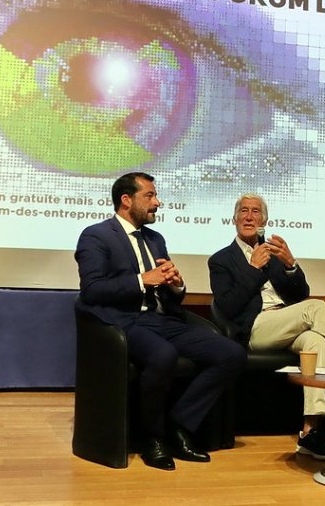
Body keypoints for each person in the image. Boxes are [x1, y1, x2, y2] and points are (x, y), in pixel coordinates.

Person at [76, 172, 246, 471]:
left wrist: (176, 284)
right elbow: (92, 290)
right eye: (150, 196)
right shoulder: (96, 235)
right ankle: (153, 439)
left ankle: (179, 426)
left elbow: (169, 295)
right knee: (162, 356)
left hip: (162, 318)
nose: (158, 202)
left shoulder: (155, 239)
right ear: (126, 200)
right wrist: (143, 280)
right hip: (123, 322)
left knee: (231, 353)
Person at [208, 193, 325, 461]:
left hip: (286, 323)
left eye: (255, 212)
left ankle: (310, 432)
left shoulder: (274, 255)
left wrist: (290, 265)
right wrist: (253, 269)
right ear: (234, 218)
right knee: (317, 307)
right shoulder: (221, 260)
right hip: (255, 329)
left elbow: (300, 294)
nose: (249, 216)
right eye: (243, 211)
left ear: (264, 220)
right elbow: (228, 307)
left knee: (316, 343)